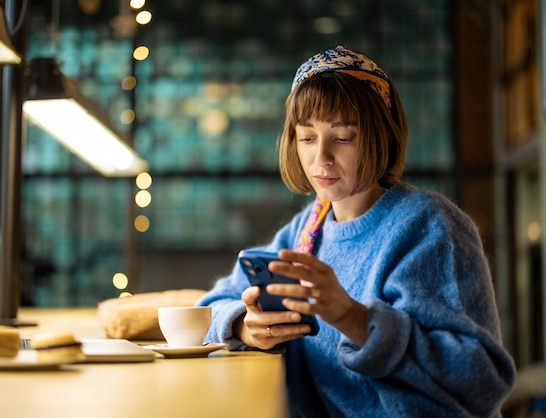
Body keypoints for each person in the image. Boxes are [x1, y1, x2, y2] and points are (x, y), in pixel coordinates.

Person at [196, 46, 516, 417]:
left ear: (382, 136)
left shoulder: (430, 226)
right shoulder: (307, 230)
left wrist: (355, 319)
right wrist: (244, 325)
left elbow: (482, 380)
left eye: (343, 137)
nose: (321, 158)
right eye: (307, 138)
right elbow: (210, 306)